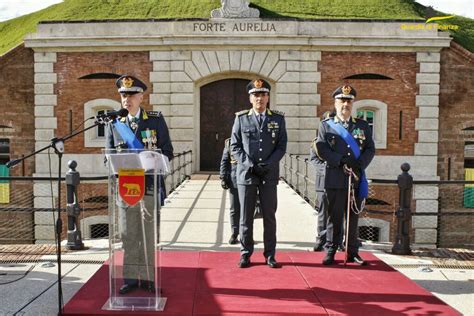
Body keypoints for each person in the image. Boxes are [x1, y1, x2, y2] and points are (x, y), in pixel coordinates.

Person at [105, 74, 173, 294]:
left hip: (150, 186)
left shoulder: (154, 119)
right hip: (126, 187)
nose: (127, 99)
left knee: (149, 235)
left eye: (131, 94)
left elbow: (168, 151)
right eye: (123, 95)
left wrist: (153, 160)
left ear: (141, 97)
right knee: (128, 235)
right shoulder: (114, 123)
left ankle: (150, 278)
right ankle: (131, 278)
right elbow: (107, 155)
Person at [230, 78, 287, 269]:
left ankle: (270, 255)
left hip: (269, 174)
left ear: (268, 97)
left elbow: (281, 146)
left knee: (269, 217)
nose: (259, 98)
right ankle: (246, 253)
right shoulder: (241, 118)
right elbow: (235, 146)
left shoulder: (278, 119)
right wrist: (250, 165)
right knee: (245, 217)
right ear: (250, 98)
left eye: (262, 94)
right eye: (255, 95)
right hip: (247, 174)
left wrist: (268, 164)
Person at [315, 85, 375, 266]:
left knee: (353, 216)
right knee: (334, 216)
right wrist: (339, 160)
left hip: (355, 177)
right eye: (342, 100)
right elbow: (321, 147)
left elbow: (370, 148)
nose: (345, 104)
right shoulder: (326, 126)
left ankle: (352, 251)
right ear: (335, 102)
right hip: (335, 177)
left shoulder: (362, 125)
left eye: (349, 101)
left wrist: (360, 163)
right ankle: (331, 250)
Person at [219, 137, 240, 245]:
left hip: (249, 179)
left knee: (248, 210)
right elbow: (225, 161)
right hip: (234, 180)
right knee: (234, 209)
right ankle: (234, 233)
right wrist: (223, 178)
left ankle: (247, 235)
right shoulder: (230, 142)